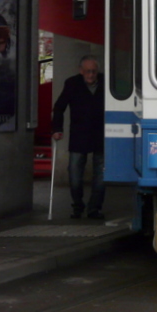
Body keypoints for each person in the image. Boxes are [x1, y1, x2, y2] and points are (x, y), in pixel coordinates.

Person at [52, 56, 105, 219]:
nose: (91, 75)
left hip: (101, 136)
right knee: (74, 176)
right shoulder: (72, 83)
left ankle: (94, 209)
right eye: (88, 71)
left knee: (101, 177)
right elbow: (59, 107)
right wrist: (57, 129)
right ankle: (77, 205)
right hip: (79, 135)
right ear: (81, 71)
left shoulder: (106, 82)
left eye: (94, 71)